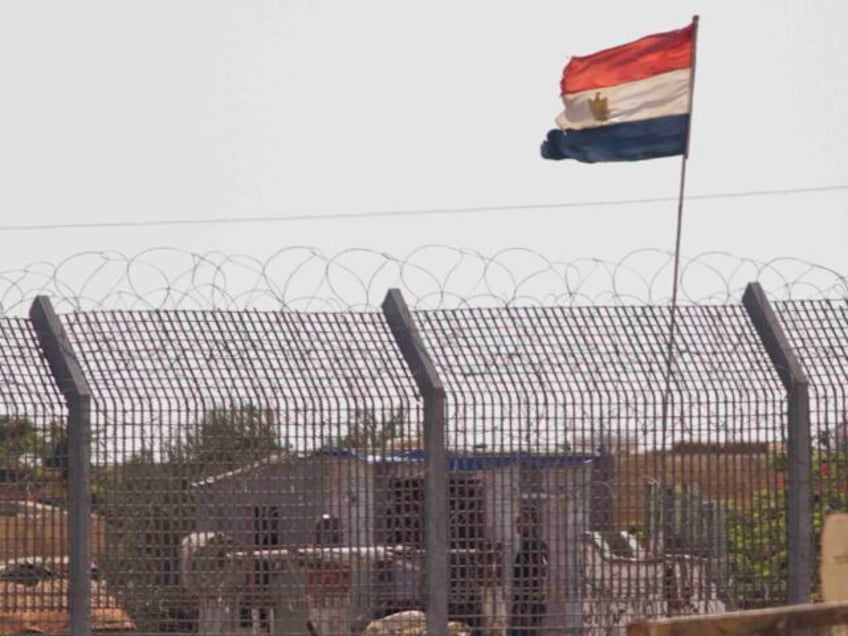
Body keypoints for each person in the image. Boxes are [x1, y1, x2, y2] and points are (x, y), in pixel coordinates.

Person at [510, 505, 548, 635]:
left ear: (531, 522)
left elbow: (537, 573)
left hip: (527, 602)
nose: (517, 523)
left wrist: (527, 607)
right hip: (531, 600)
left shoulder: (530, 544)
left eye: (520, 520)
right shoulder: (538, 543)